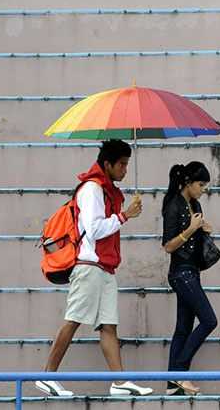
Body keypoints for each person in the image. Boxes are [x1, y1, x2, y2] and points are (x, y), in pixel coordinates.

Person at [35, 140, 153, 397]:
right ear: (107, 164)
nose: (124, 169)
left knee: (109, 326)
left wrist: (123, 214)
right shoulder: (92, 189)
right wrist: (125, 216)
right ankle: (47, 376)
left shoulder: (106, 189)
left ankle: (119, 381)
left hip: (104, 268)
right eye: (121, 164)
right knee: (74, 319)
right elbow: (95, 229)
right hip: (89, 266)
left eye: (127, 164)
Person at [161, 161, 218, 395]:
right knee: (209, 321)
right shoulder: (174, 205)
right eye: (200, 184)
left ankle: (172, 386)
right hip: (181, 273)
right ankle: (180, 373)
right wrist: (190, 230)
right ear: (188, 182)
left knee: (183, 328)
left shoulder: (195, 204)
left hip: (192, 272)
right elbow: (168, 246)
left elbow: (196, 239)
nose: (203, 189)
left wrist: (204, 230)